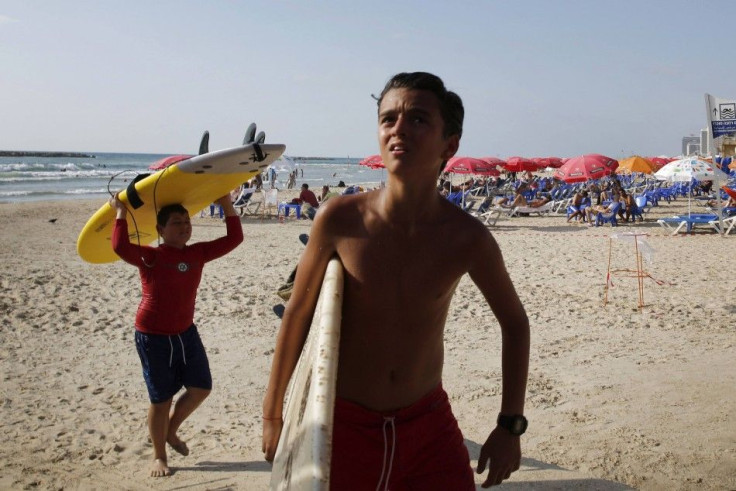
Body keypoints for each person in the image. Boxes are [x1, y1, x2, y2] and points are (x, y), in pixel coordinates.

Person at [262, 72, 529, 489]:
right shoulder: (340, 219)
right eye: (388, 119)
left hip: (427, 425)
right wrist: (273, 414)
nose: (399, 129)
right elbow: (297, 314)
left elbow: (514, 323)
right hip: (341, 424)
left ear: (450, 144)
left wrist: (510, 426)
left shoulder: (467, 237)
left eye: (418, 119)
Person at [110, 193, 243, 477]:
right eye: (176, 222)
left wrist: (227, 205)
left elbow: (234, 240)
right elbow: (120, 247)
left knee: (201, 387)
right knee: (161, 400)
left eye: (186, 221)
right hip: (153, 336)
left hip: (185, 333)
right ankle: (159, 455)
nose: (184, 226)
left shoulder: (197, 253)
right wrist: (120, 212)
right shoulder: (150, 255)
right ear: (160, 230)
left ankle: (170, 430)